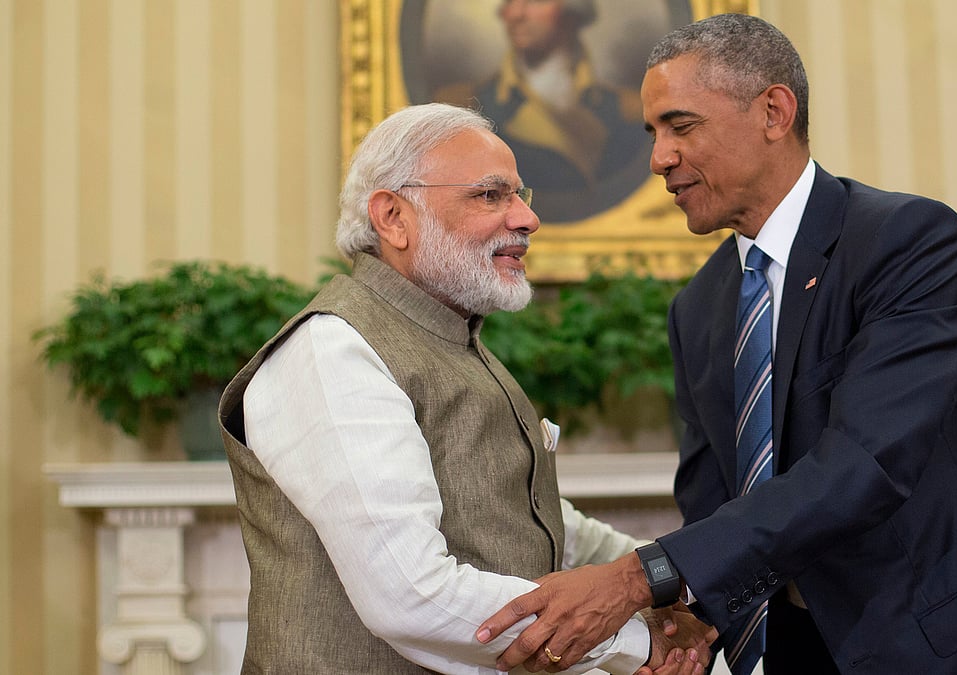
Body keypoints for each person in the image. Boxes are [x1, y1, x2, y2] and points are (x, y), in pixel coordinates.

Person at [476, 14, 957, 675]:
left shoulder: (907, 242)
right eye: (653, 132)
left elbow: (864, 464)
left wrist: (639, 576)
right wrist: (696, 615)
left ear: (774, 112)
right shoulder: (699, 309)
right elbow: (719, 507)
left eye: (680, 125)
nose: (659, 157)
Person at [217, 102, 713, 674]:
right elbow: (411, 596)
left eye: (522, 195)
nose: (527, 219)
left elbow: (527, 517)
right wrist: (637, 644)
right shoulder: (333, 350)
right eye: (490, 195)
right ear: (394, 217)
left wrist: (657, 588)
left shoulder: (456, 339)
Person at [433, 0, 649, 222]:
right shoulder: (461, 105)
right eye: (509, 2)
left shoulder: (629, 111)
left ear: (572, 11)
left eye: (534, 1)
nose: (515, 14)